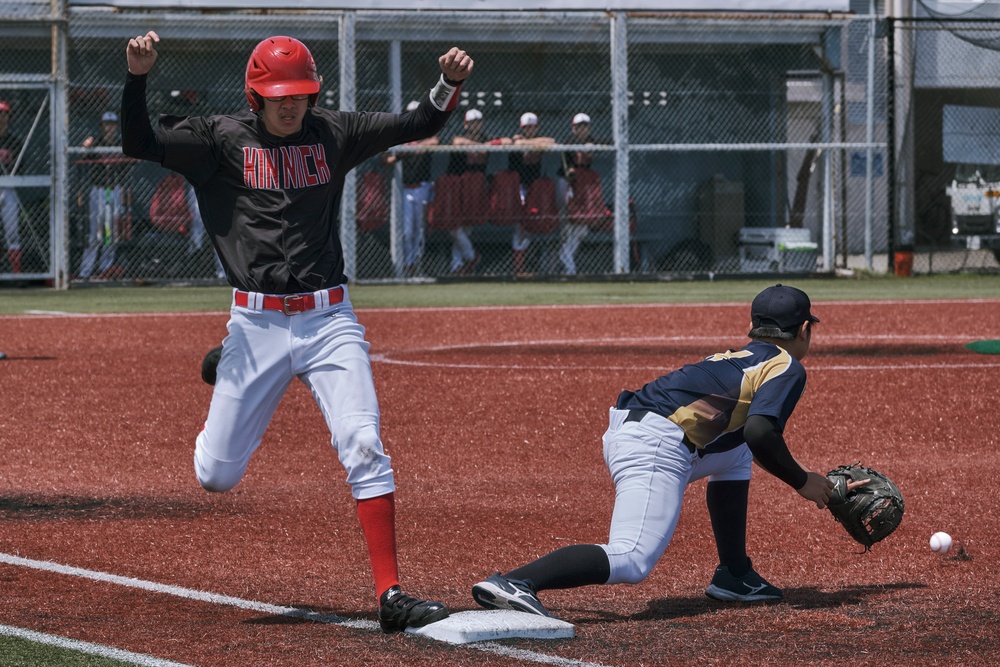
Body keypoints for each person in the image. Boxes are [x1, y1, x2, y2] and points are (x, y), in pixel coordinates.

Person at [122, 31, 473, 632]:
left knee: (363, 444)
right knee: (217, 475)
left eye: (300, 94)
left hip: (328, 319)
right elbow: (139, 141)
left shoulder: (333, 132)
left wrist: (449, 83)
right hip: (255, 324)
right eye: (279, 95)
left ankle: (390, 594)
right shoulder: (218, 139)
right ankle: (226, 359)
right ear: (254, 95)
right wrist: (137, 76)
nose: (291, 105)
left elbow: (419, 122)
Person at [471, 285, 867, 619]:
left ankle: (734, 574)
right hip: (654, 445)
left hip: (643, 429)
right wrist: (803, 483)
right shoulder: (786, 365)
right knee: (632, 558)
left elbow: (745, 436)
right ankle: (517, 581)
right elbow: (763, 432)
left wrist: (816, 483)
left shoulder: (741, 359)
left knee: (736, 455)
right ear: (804, 330)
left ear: (751, 328)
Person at [444, 108, 510, 274]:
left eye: (478, 122)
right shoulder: (460, 136)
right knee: (454, 227)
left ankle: (457, 266)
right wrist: (482, 146)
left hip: (476, 186)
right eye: (471, 123)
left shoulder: (486, 138)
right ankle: (472, 256)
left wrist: (487, 145)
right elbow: (457, 142)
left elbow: (508, 141)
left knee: (467, 227)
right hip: (458, 185)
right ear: (465, 124)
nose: (475, 125)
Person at [384, 100, 438, 276]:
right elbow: (385, 160)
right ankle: (407, 264)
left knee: (420, 229)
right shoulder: (400, 134)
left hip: (423, 187)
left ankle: (417, 265)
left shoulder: (427, 132)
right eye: (411, 113)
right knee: (407, 231)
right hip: (405, 189)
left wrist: (413, 147)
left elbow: (435, 141)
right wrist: (402, 153)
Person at [78, 111, 131, 280]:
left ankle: (105, 269)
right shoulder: (96, 142)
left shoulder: (120, 144)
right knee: (95, 233)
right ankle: (85, 271)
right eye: (106, 124)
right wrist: (86, 147)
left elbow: (127, 170)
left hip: (113, 190)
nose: (109, 128)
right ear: (101, 126)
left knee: (111, 233)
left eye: (112, 124)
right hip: (99, 190)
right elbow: (83, 156)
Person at [556, 112, 605, 275]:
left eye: (585, 127)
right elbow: (567, 168)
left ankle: (566, 257)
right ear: (574, 128)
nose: (582, 130)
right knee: (568, 222)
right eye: (579, 127)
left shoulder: (592, 139)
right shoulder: (568, 141)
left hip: (584, 185)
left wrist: (592, 147)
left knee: (583, 227)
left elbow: (608, 143)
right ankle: (568, 265)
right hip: (568, 183)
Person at [509, 111, 556, 273]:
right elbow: (517, 143)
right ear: (522, 128)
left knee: (530, 224)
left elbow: (552, 143)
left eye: (532, 127)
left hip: (535, 188)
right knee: (521, 225)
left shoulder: (537, 139)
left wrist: (532, 142)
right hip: (518, 187)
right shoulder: (516, 138)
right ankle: (519, 267)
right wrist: (532, 142)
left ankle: (523, 265)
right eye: (526, 128)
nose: (529, 130)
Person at [0, 100, 23, 274]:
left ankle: (16, 273)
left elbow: (21, 166)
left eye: (4, 114)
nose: (1, 118)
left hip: (8, 189)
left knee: (12, 231)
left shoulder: (14, 141)